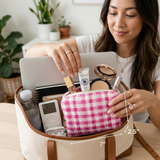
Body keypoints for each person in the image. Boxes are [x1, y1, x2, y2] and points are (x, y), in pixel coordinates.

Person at [26, 0, 160, 129]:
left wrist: (152, 102)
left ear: (146, 18)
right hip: (92, 133)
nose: (118, 24)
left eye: (130, 15)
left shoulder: (156, 58)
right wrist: (49, 48)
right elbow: (29, 56)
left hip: (135, 133)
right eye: (113, 13)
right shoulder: (90, 44)